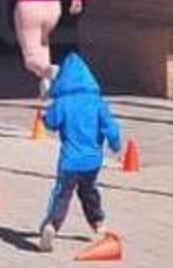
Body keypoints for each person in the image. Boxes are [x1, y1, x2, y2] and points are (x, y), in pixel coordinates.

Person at [36, 54, 122, 254]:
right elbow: (111, 126)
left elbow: (51, 123)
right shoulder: (97, 102)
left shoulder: (63, 102)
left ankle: (51, 225)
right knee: (89, 191)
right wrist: (115, 144)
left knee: (62, 194)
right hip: (92, 160)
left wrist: (44, 115)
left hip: (69, 161)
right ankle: (98, 223)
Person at [14, 0, 81, 93]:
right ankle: (46, 82)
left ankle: (51, 72)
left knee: (31, 58)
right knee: (43, 41)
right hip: (52, 8)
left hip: (29, 7)